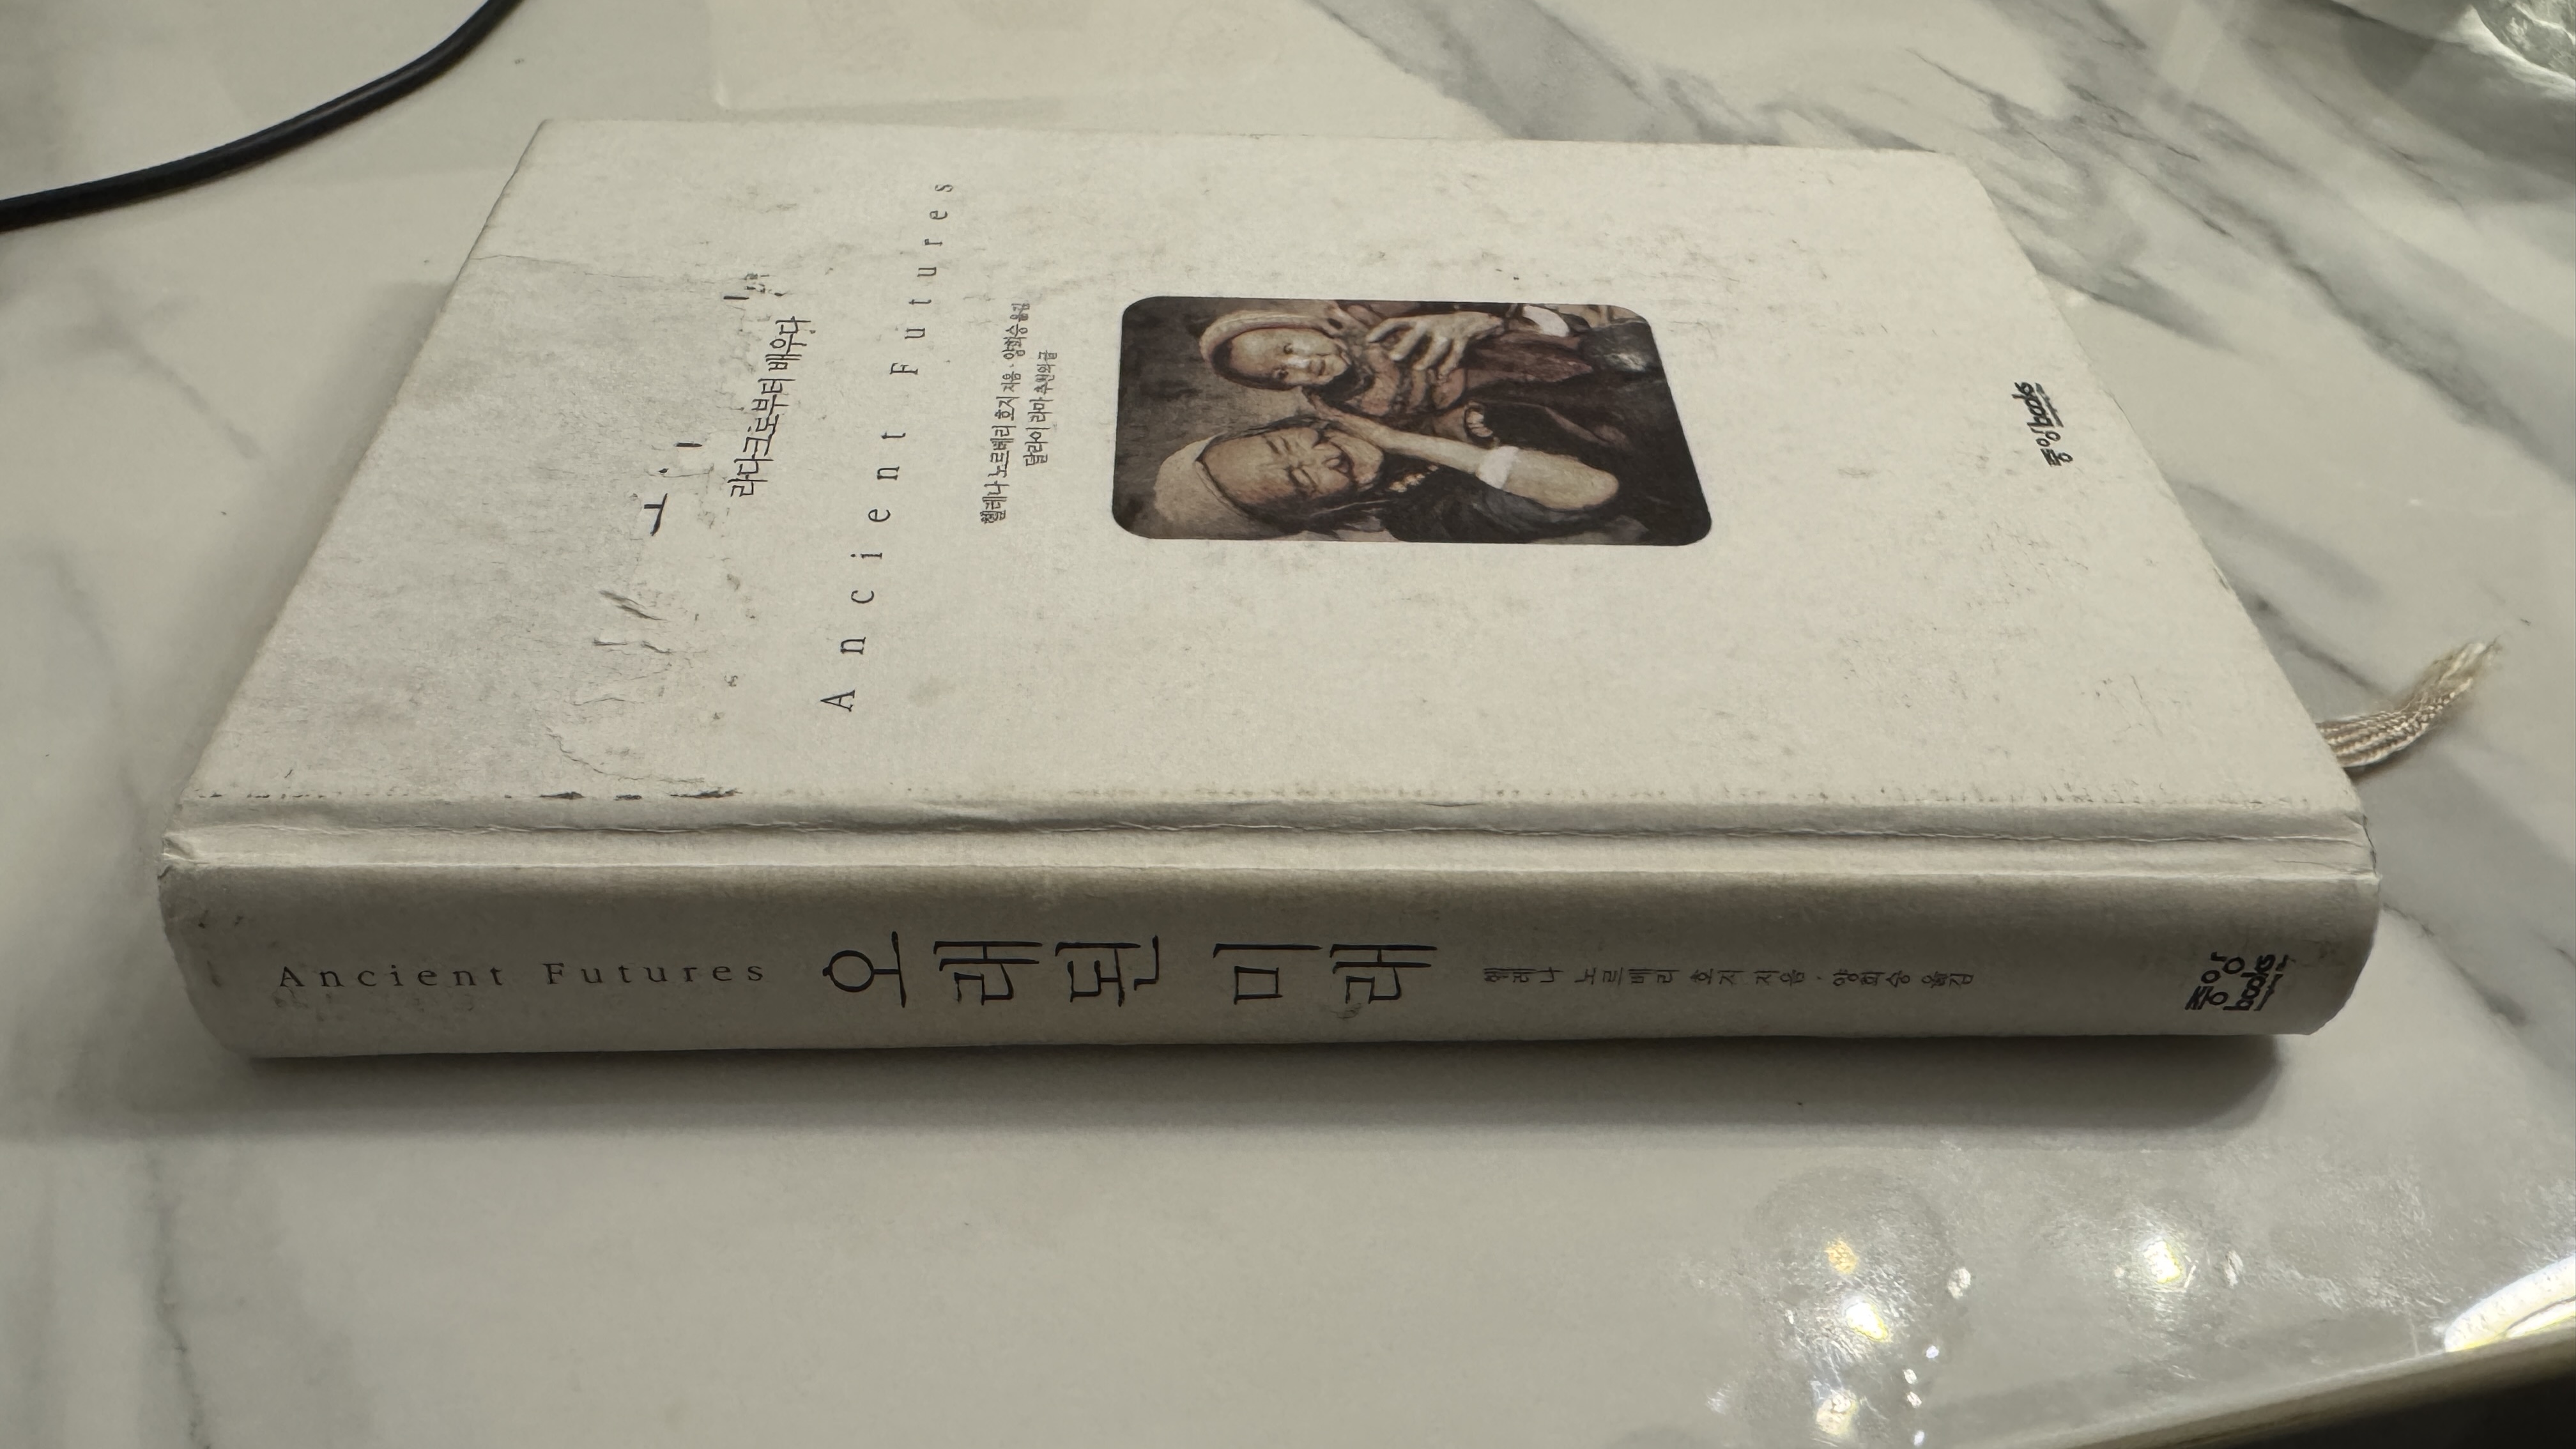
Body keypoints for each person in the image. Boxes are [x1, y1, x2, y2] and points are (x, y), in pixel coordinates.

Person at [1128, 394, 1705, 546]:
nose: (1323, 455)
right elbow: (1593, 487)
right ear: (1313, 511)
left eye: (1287, 446)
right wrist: (1399, 442)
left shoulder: (1364, 397)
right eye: (1302, 481)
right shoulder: (1425, 518)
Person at [1197, 303, 1603, 424]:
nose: (1305, 364)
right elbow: (1419, 423)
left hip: (1521, 343)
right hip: (1509, 406)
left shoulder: (1365, 312)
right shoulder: (1341, 405)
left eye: (1289, 347)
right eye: (1282, 373)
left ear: (1298, 325)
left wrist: (1476, 317)